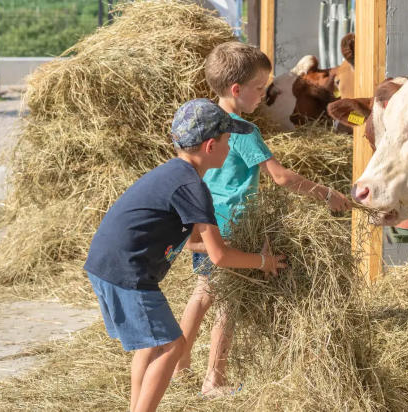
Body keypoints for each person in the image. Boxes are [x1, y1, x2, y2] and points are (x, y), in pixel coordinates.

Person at [84, 98, 286, 412]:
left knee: (151, 347)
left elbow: (194, 244)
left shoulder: (176, 175)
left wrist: (238, 249)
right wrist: (264, 262)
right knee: (173, 347)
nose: (230, 146)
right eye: (228, 140)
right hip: (127, 271)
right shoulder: (193, 187)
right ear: (210, 146)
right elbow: (219, 257)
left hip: (110, 264)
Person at [174, 41, 351, 396]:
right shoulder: (243, 131)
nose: (264, 96)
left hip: (206, 221)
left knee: (202, 294)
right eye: (259, 89)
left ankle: (179, 364)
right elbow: (281, 177)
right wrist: (329, 195)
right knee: (229, 305)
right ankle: (214, 380)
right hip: (236, 227)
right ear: (236, 90)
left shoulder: (204, 120)